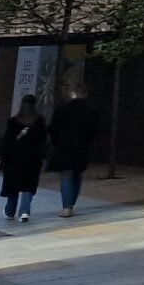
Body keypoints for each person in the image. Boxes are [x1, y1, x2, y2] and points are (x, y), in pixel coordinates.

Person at [46, 88, 97, 217]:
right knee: (77, 175)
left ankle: (67, 207)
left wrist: (56, 143)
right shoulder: (90, 111)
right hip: (82, 148)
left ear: (72, 95)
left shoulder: (61, 109)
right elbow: (93, 132)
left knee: (66, 176)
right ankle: (71, 203)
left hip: (64, 147)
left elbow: (53, 129)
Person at [0, 96, 48, 224]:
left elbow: (7, 141)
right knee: (28, 186)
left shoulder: (13, 121)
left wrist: (2, 158)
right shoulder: (39, 121)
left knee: (13, 185)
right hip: (32, 159)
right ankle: (24, 211)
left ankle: (10, 211)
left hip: (13, 159)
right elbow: (43, 140)